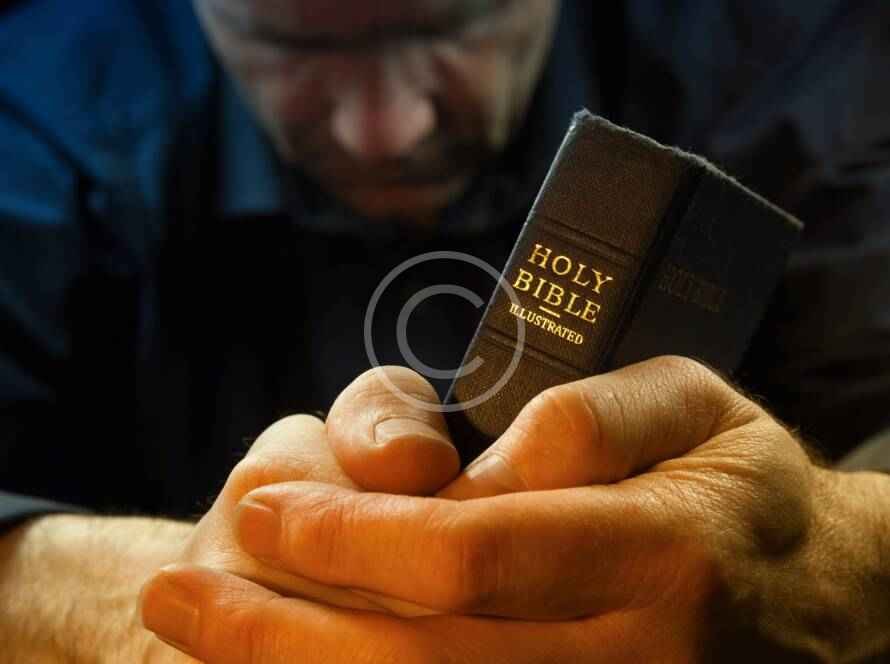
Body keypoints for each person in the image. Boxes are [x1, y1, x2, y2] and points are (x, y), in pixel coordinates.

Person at [1, 0, 888, 660]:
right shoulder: (35, 104)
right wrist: (156, 614)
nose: (386, 130)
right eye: (292, 47)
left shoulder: (800, 58)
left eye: (450, 26)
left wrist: (842, 556)